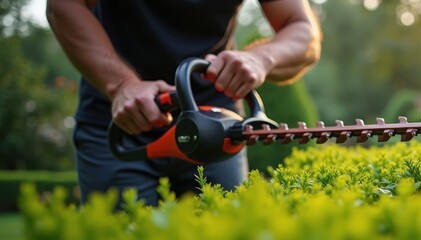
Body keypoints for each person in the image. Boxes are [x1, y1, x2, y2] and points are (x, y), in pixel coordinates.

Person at [46, 0, 321, 207]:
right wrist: (121, 85)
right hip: (120, 124)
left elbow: (302, 29)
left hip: (216, 129)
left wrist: (261, 58)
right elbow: (64, 6)